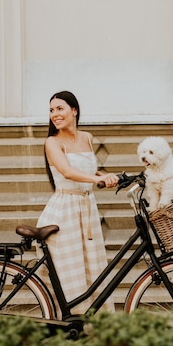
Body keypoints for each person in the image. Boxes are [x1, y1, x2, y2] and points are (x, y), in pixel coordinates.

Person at [36, 90, 118, 315]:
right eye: (51, 110)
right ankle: (70, 317)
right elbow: (67, 171)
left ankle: (92, 321)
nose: (55, 114)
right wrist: (96, 179)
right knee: (70, 269)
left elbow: (89, 170)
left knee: (92, 264)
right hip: (65, 211)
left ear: (74, 110)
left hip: (87, 208)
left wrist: (108, 176)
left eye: (59, 108)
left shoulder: (87, 138)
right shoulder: (52, 142)